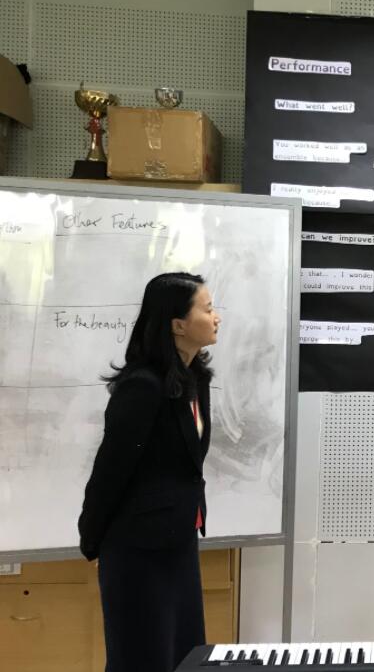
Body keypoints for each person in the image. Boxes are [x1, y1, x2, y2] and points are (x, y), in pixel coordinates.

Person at [78, 272, 221, 672]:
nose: (216, 317)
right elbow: (110, 469)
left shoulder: (195, 379)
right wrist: (93, 540)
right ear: (177, 324)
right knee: (142, 657)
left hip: (178, 540)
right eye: (207, 309)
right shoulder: (142, 386)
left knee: (184, 655)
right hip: (138, 547)